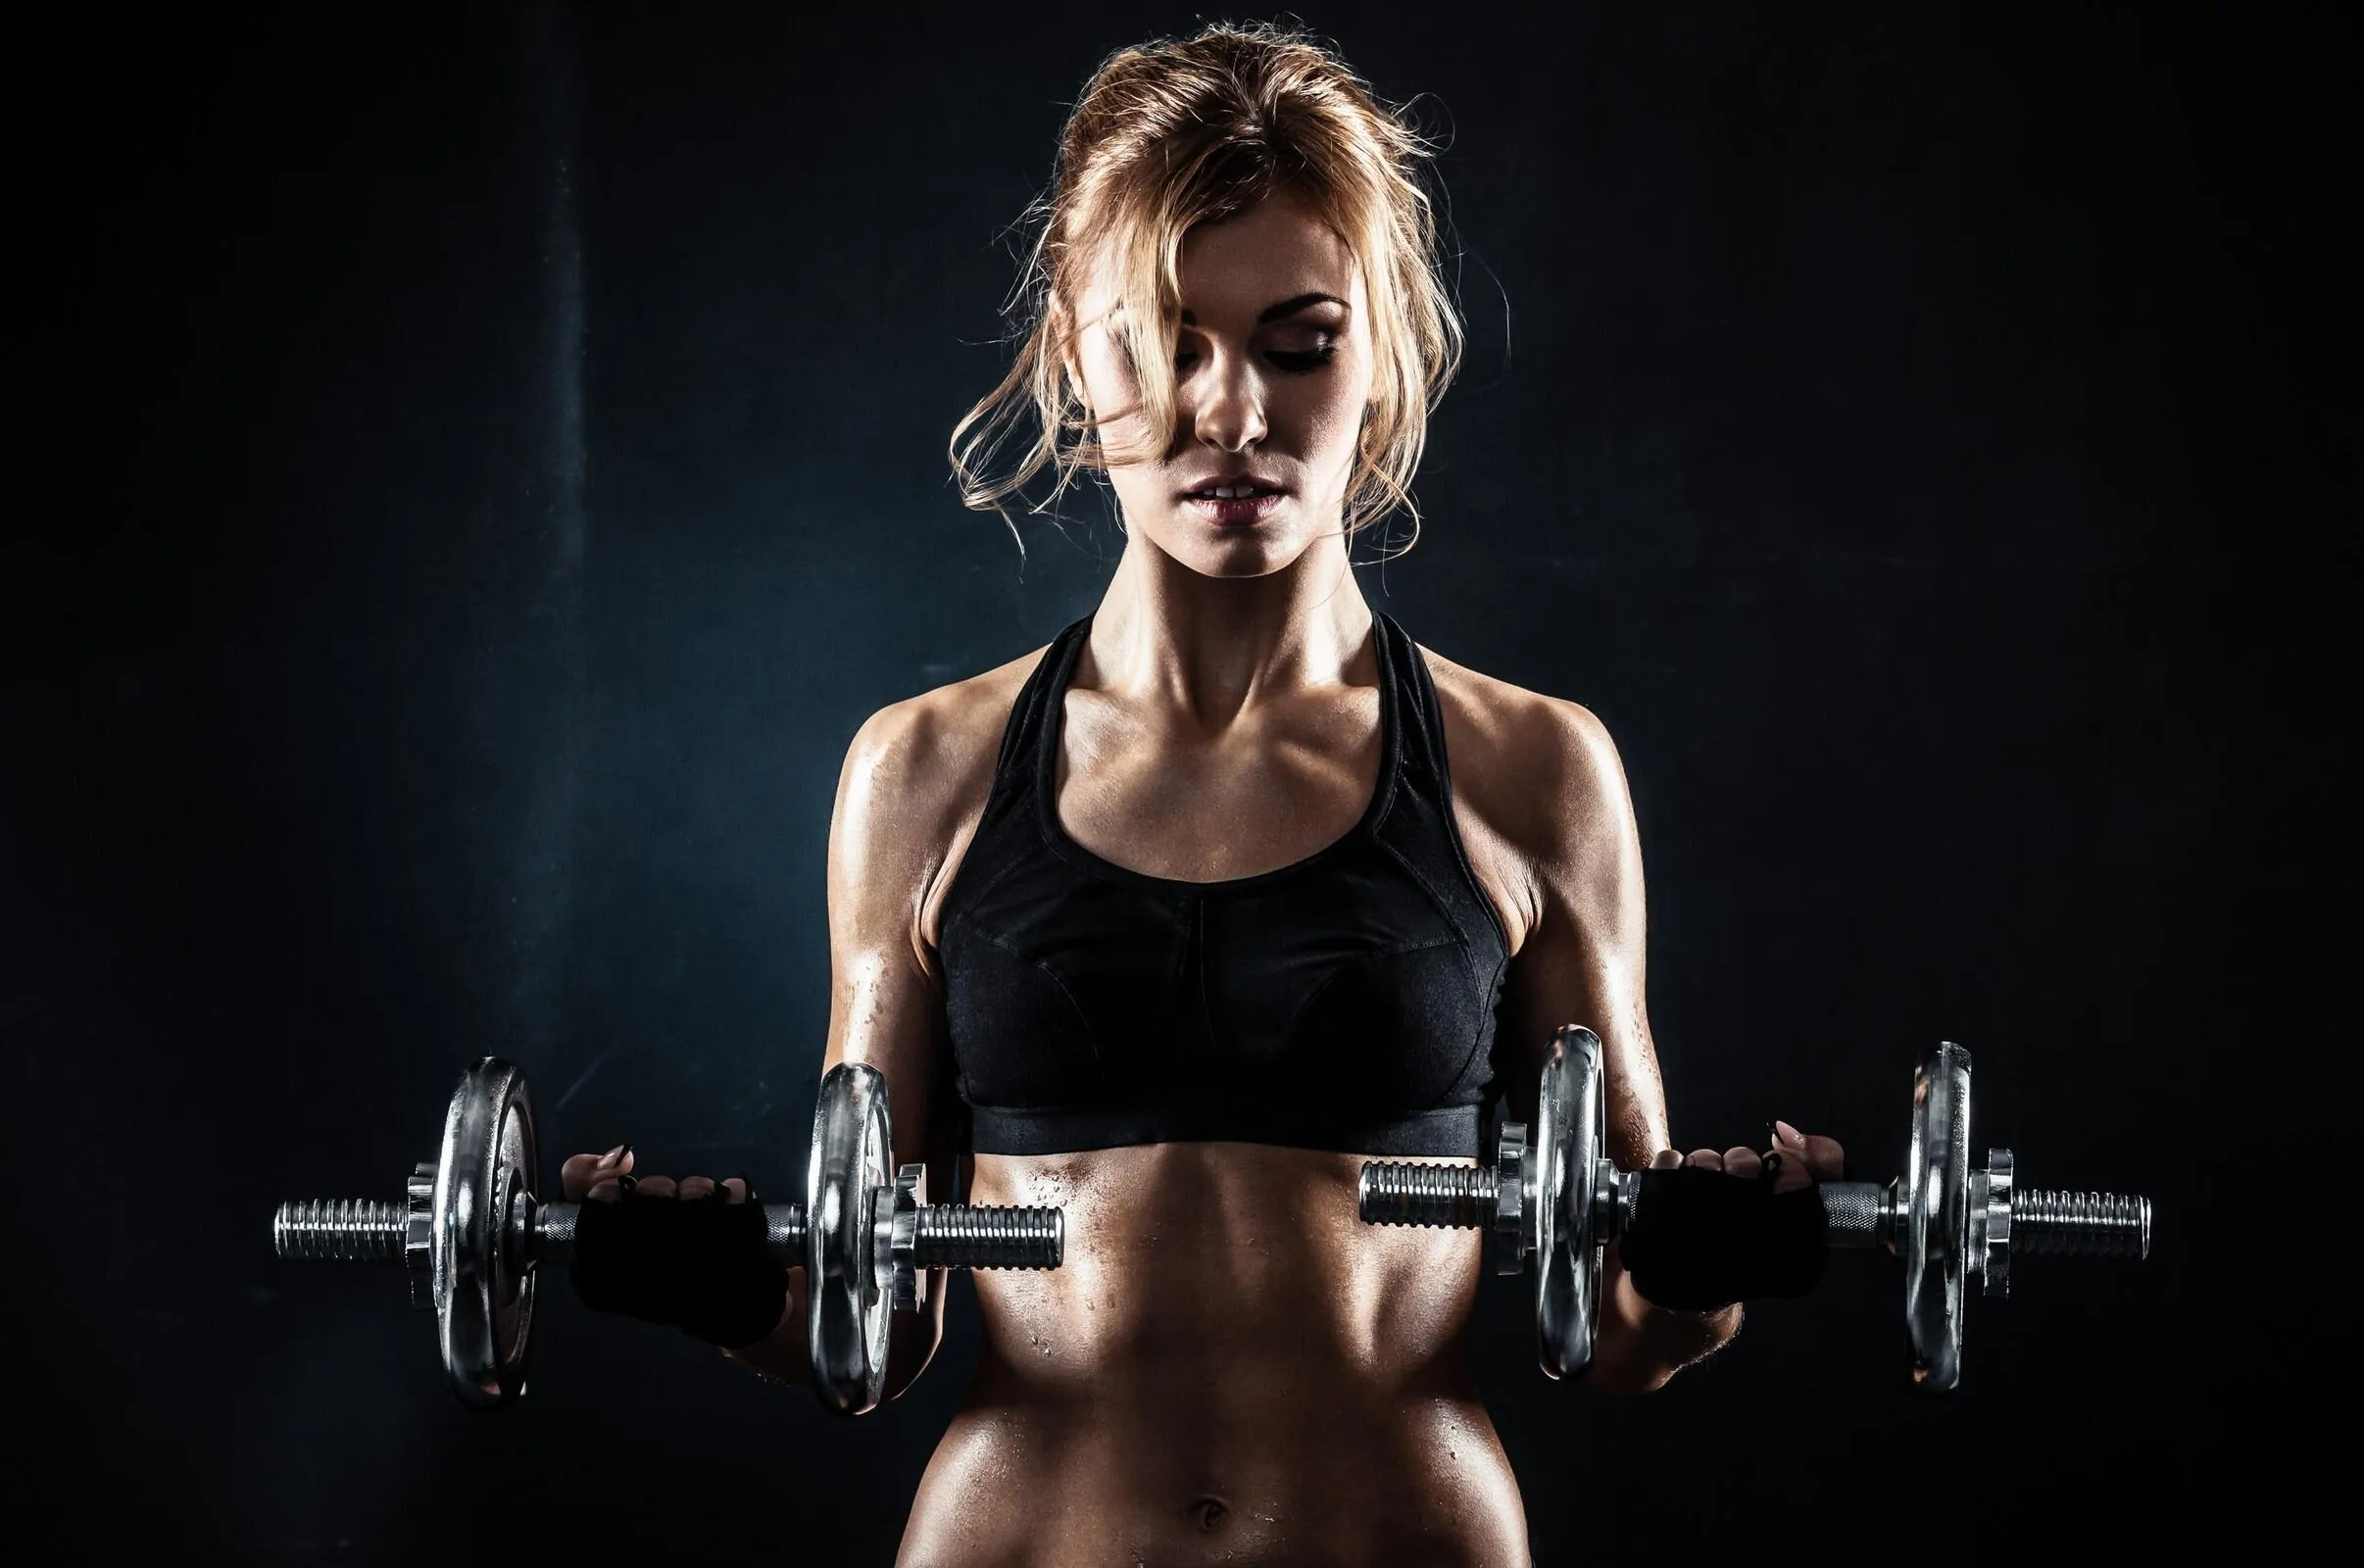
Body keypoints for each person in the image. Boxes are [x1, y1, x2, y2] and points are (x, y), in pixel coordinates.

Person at [563, 23, 1844, 1566]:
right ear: (1067, 348)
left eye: (1298, 342)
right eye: (1163, 339)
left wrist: (1714, 1259)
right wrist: (706, 1283)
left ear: (1384, 356)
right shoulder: (925, 772)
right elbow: (871, 1328)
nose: (1228, 410)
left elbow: (1628, 1329)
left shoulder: (1531, 770)